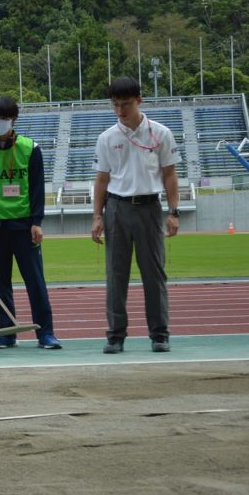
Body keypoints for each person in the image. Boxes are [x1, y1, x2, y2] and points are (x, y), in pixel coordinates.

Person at [91, 77, 180, 354]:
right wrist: (97, 216)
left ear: (139, 100)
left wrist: (173, 211)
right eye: (115, 105)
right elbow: (102, 180)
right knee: (116, 275)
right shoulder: (107, 138)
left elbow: (170, 175)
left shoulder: (160, 134)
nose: (120, 110)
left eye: (126, 104)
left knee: (154, 274)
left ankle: (159, 334)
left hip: (150, 207)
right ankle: (115, 336)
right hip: (116, 208)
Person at [0, 96, 61, 350]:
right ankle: (7, 333)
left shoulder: (31, 148)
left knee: (35, 281)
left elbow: (38, 188)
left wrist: (37, 221)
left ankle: (46, 333)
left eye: (5, 118)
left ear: (14, 119)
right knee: (2, 283)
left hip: (24, 224)